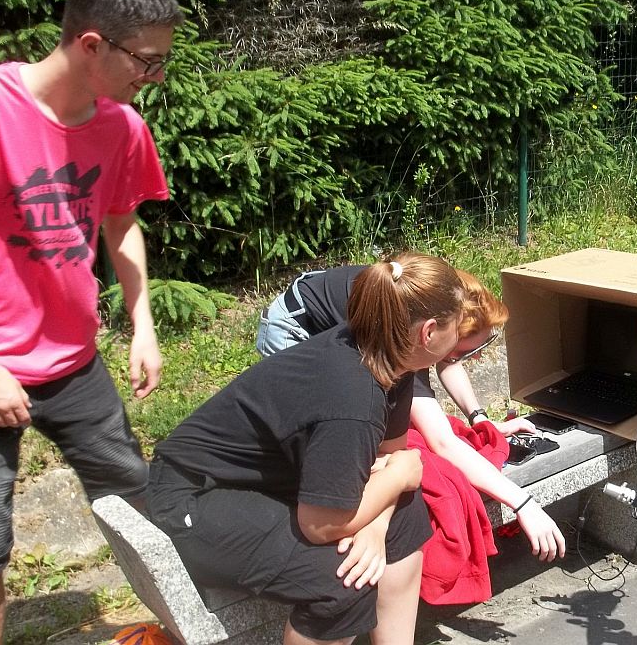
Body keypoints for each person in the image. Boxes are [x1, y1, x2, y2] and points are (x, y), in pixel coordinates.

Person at [0, 0, 182, 642]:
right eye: (146, 61)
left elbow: (121, 224)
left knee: (137, 499)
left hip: (74, 363)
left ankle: (183, 627)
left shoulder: (122, 127)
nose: (154, 77)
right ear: (92, 44)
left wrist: (142, 324)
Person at [147, 254, 463, 645]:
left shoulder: (389, 357)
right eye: (457, 322)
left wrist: (376, 524)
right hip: (194, 496)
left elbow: (389, 460)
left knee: (405, 515)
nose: (459, 331)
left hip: (261, 482)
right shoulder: (353, 398)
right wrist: (399, 477)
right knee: (342, 583)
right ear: (428, 333)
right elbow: (321, 524)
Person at [256, 266, 567, 588]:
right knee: (332, 445)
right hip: (296, 324)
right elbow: (442, 442)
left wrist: (479, 418)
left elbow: (448, 361)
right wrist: (523, 503)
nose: (473, 359)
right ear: (431, 334)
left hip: (341, 310)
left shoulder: (434, 310)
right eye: (467, 351)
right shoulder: (405, 339)